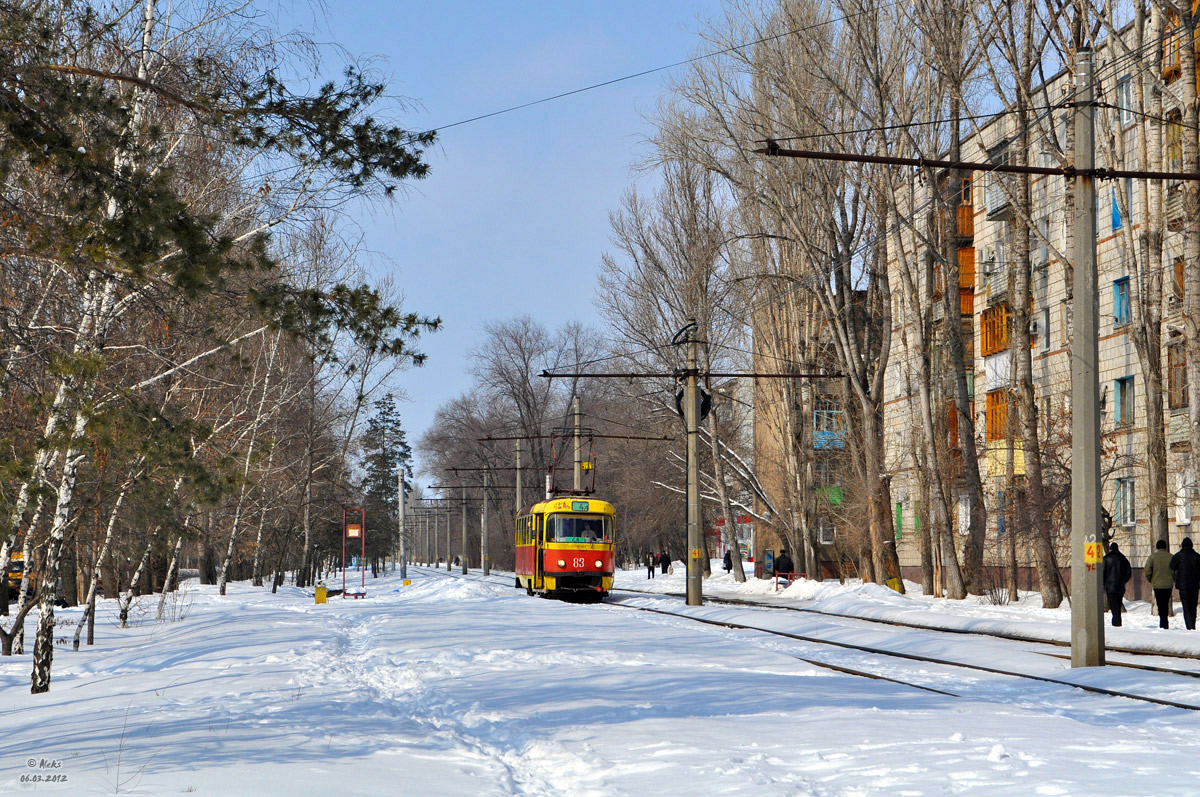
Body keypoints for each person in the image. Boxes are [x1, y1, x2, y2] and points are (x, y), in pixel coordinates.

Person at [1144, 539, 1176, 629]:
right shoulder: (1171, 557)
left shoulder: (1152, 557)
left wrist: (1151, 579)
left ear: (1157, 547)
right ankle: (1165, 620)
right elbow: (1175, 570)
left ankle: (1163, 621)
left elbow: (1147, 570)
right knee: (1166, 602)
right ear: (1165, 547)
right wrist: (1173, 579)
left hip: (1157, 584)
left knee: (1160, 603)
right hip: (1168, 584)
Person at [1171, 537, 1200, 630]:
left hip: (1183, 586)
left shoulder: (1178, 556)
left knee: (1186, 606)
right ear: (1191, 545)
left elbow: (1172, 566)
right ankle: (1193, 624)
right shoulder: (1197, 556)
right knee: (1193, 606)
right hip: (1195, 585)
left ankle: (1189, 626)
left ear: (1182, 546)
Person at [1102, 541, 1132, 627]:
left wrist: (1104, 583)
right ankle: (1117, 621)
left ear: (1110, 549)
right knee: (1118, 604)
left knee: (1113, 605)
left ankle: (1116, 623)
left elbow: (1102, 572)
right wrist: (1123, 581)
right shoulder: (1123, 559)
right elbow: (1128, 573)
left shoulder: (1106, 559)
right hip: (1120, 586)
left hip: (1110, 586)